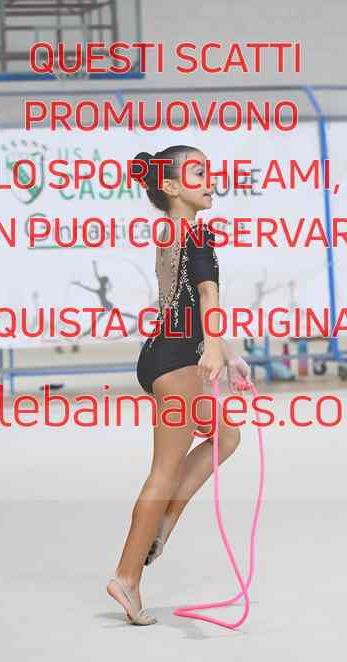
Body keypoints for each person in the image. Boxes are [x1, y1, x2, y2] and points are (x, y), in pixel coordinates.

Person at [106, 146, 251, 625]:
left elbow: (182, 299)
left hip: (166, 354)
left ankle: (165, 520)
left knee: (226, 435)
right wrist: (212, 350)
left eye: (209, 170)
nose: (210, 180)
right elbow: (206, 294)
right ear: (170, 186)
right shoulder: (195, 232)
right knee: (163, 472)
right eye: (197, 172)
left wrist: (227, 352)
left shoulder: (171, 231)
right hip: (177, 363)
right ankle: (127, 576)